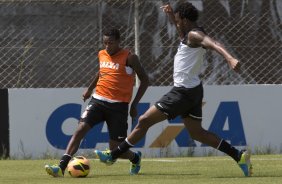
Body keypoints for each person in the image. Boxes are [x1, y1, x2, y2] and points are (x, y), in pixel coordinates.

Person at [94, 2, 252, 177]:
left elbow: (213, 42)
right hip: (193, 90)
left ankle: (113, 155)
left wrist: (230, 58)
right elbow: (180, 30)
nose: (175, 22)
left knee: (145, 120)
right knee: (197, 133)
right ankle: (239, 156)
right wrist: (170, 15)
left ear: (184, 20)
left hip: (182, 92)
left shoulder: (195, 34)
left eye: (177, 19)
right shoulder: (187, 33)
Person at [45, 28, 149, 177]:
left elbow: (145, 80)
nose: (107, 46)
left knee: (116, 149)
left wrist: (134, 104)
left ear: (119, 42)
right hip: (98, 100)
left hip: (119, 106)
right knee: (80, 129)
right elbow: (101, 72)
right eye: (105, 43)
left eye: (111, 43)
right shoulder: (102, 54)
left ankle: (135, 157)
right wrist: (89, 90)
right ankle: (60, 167)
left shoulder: (130, 57)